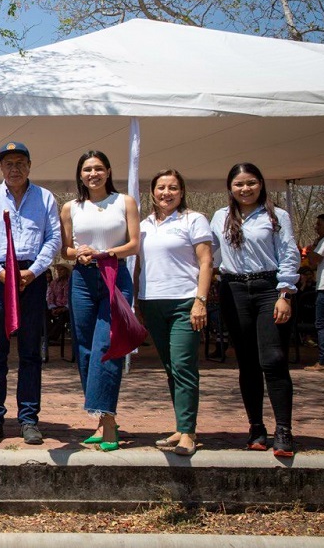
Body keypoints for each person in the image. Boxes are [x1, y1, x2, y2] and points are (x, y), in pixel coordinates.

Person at [0, 141, 61, 445]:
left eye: (20, 162)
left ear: (30, 165)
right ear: (0, 168)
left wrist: (33, 271)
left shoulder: (45, 198)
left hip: (32, 277)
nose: (15, 169)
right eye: (9, 164)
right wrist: (0, 272)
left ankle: (29, 419)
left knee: (31, 351)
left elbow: (53, 239)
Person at [211, 163, 300, 457]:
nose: (245, 189)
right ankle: (256, 428)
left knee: (273, 360)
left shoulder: (277, 216)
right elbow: (208, 252)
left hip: (269, 289)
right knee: (247, 363)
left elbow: (288, 253)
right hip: (233, 290)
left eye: (250, 183)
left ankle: (283, 430)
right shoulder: (220, 217)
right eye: (239, 184)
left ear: (261, 184)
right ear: (230, 188)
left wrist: (285, 293)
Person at [59, 150, 140, 452]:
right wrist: (79, 253)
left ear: (108, 172)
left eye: (98, 168)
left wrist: (106, 253)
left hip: (114, 276)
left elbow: (134, 244)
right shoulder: (70, 207)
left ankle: (108, 421)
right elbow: (65, 249)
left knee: (107, 345)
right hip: (82, 279)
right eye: (87, 169)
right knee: (84, 348)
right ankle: (101, 417)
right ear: (80, 175)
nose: (93, 174)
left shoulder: (124, 202)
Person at [135, 169, 213, 456]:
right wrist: (137, 303)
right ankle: (181, 425)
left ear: (182, 192)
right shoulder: (143, 225)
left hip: (184, 303)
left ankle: (189, 432)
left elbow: (206, 262)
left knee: (183, 366)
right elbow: (139, 266)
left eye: (173, 188)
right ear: (152, 192)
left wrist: (200, 300)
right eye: (161, 188)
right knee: (170, 367)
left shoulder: (194, 220)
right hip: (152, 303)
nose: (166, 193)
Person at [305, 213, 324, 372]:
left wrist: (313, 246)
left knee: (322, 324)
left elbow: (313, 260)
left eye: (320, 224)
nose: (316, 228)